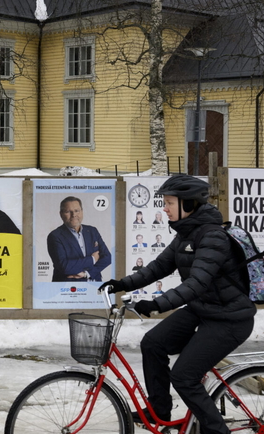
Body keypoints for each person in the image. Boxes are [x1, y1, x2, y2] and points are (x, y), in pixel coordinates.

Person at [100, 175, 255, 434]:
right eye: (165, 202)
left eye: (170, 202)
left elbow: (197, 283)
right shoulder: (186, 233)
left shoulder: (212, 237)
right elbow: (159, 267)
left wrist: (158, 304)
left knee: (184, 376)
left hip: (229, 319)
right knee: (153, 344)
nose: (165, 207)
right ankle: (159, 410)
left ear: (190, 204)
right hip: (202, 309)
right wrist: (122, 284)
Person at [46, 196, 112, 282]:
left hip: (94, 284)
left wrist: (87, 273)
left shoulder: (92, 231)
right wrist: (92, 259)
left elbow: (107, 257)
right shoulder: (55, 236)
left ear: (82, 212)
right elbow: (64, 266)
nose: (74, 215)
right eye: (68, 211)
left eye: (77, 211)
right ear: (61, 214)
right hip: (67, 288)